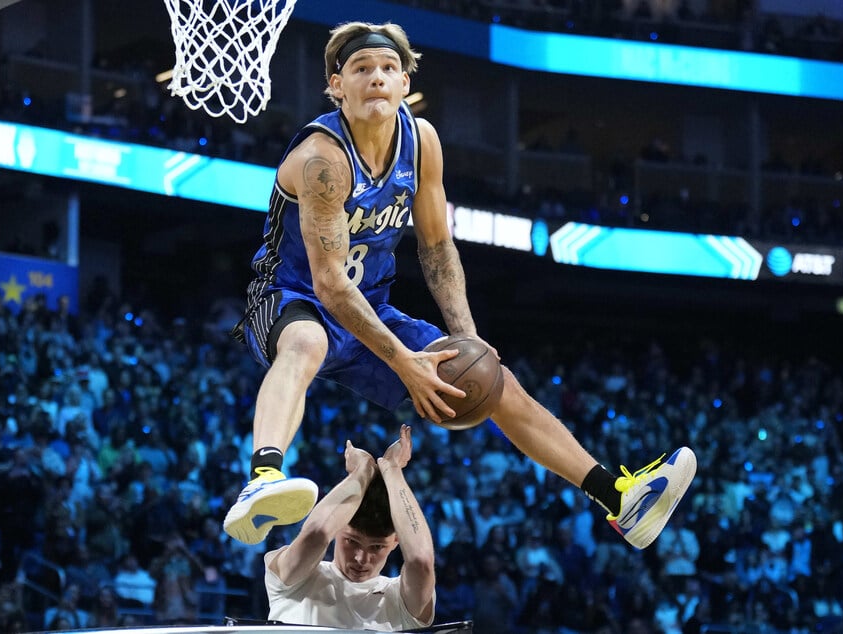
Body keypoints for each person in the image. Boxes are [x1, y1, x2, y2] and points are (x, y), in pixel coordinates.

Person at [225, 20, 696, 550]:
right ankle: (263, 478)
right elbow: (329, 284)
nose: (376, 78)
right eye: (361, 69)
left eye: (388, 69)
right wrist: (405, 360)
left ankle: (619, 499)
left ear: (405, 83)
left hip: (371, 308)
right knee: (308, 341)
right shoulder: (322, 159)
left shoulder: (421, 141)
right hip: (290, 297)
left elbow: (436, 247)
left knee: (498, 382)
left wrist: (467, 338)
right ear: (337, 86)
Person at [263, 424, 435, 630]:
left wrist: (392, 469)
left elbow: (421, 560)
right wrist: (363, 470)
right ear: (338, 527)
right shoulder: (296, 578)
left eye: (377, 547)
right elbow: (316, 534)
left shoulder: (398, 599)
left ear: (396, 541)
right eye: (352, 541)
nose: (361, 559)